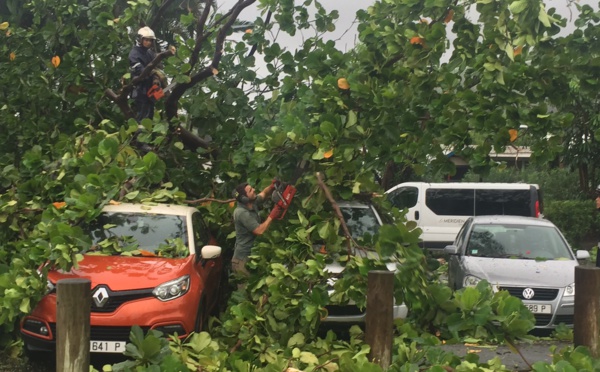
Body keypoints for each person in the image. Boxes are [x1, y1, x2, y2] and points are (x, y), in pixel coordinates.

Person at [231, 179, 283, 279]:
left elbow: (264, 194)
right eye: (250, 190)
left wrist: (272, 186)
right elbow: (259, 230)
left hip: (252, 255)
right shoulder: (241, 213)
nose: (254, 190)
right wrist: (272, 215)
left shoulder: (252, 202)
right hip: (242, 260)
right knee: (246, 290)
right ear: (244, 198)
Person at [129, 26, 163, 122]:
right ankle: (139, 135)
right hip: (140, 89)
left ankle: (147, 135)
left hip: (149, 90)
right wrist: (151, 73)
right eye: (146, 40)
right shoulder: (134, 52)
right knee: (142, 116)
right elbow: (139, 69)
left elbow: (156, 68)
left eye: (150, 40)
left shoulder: (150, 53)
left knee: (149, 116)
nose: (148, 42)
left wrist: (156, 79)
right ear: (140, 39)